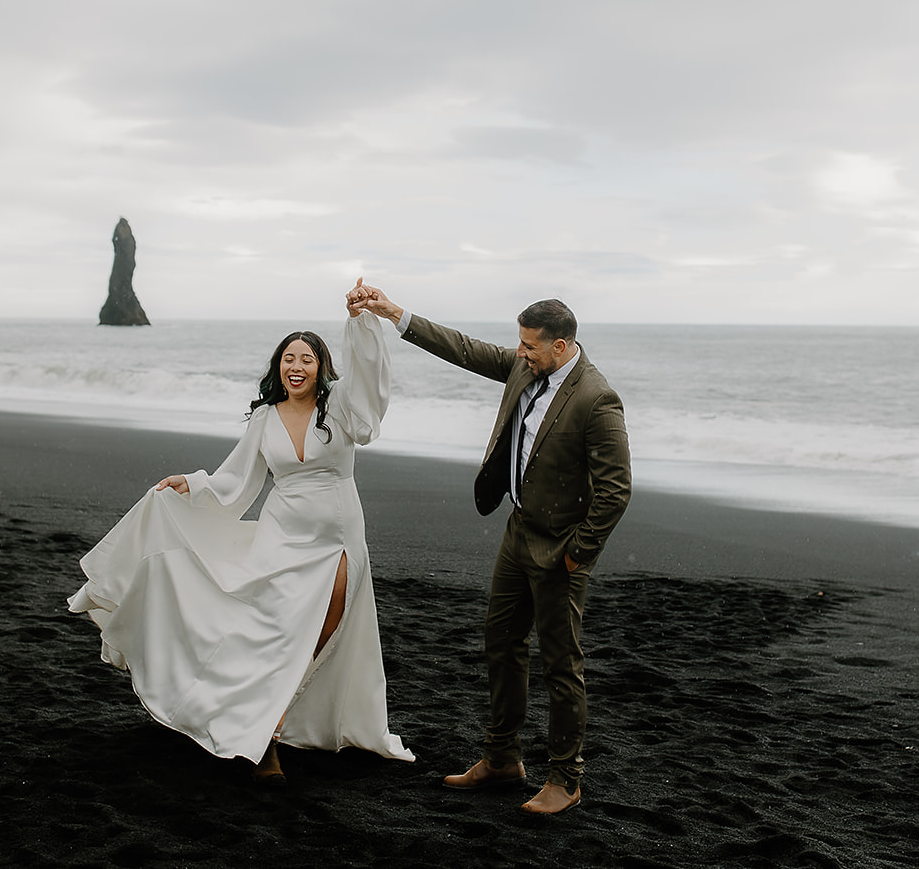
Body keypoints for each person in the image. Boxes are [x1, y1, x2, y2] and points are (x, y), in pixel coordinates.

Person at [66, 285, 412, 784]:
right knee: (275, 632)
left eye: (307, 359)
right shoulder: (265, 418)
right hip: (281, 535)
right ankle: (264, 730)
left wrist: (361, 322)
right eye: (288, 359)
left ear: (321, 367)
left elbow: (372, 389)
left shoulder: (340, 409)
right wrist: (192, 484)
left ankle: (273, 716)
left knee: (325, 627)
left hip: (338, 535)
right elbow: (236, 481)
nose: (296, 366)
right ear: (277, 368)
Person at [348, 283, 630, 816]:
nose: (520, 353)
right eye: (519, 344)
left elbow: (616, 489)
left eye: (530, 346)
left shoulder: (596, 398)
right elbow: (465, 349)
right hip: (516, 533)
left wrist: (576, 555)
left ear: (563, 346)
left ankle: (565, 779)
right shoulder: (529, 368)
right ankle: (502, 758)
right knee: (501, 642)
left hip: (560, 551)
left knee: (561, 665)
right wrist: (392, 313)